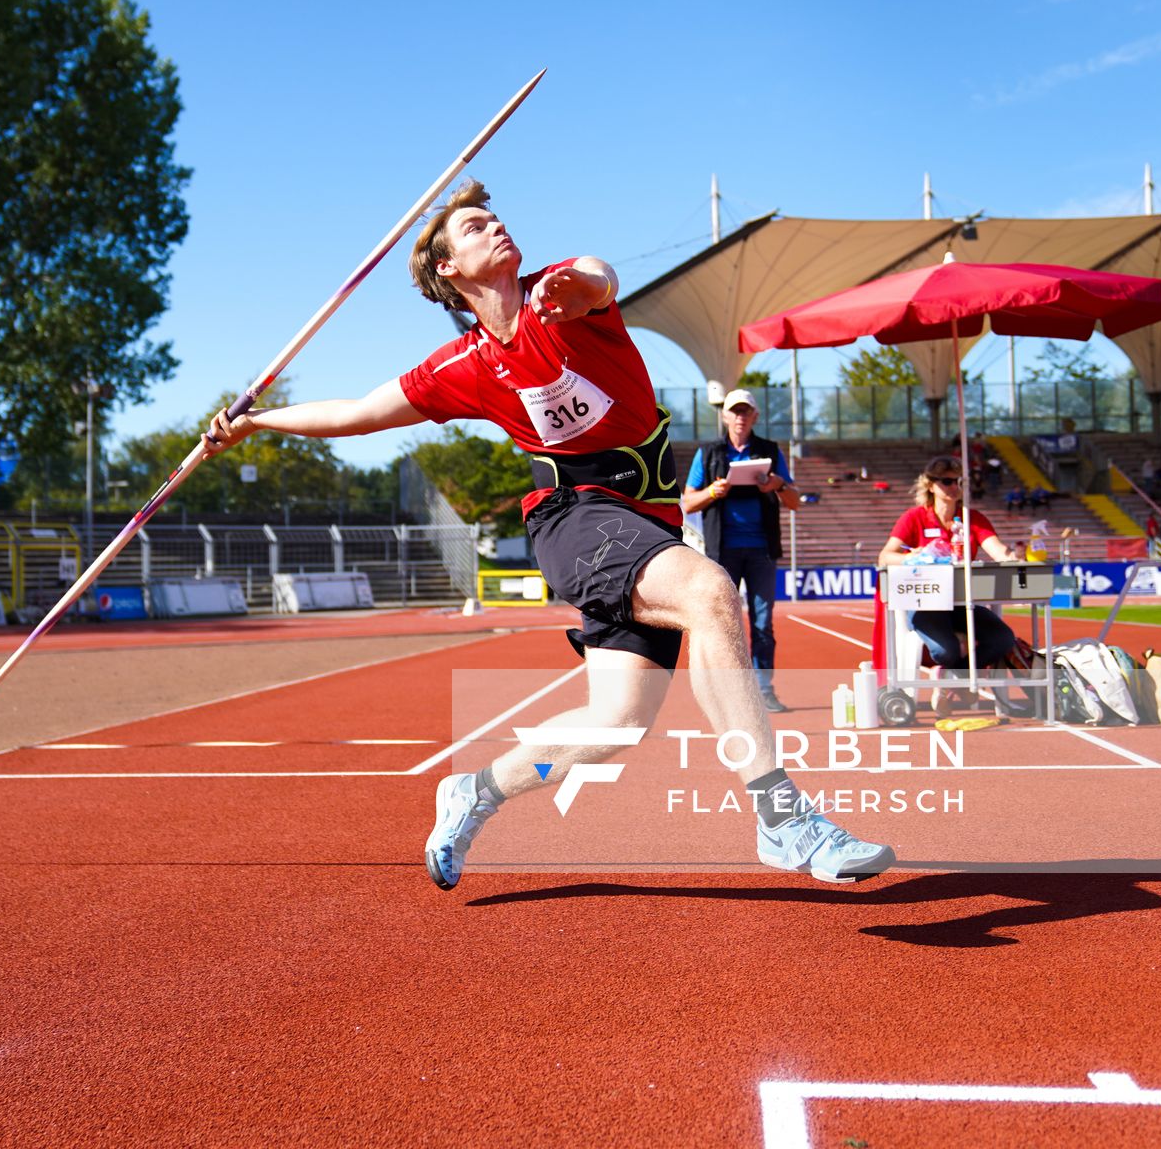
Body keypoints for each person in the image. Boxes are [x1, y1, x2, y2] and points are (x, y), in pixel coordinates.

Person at [201, 181, 893, 890]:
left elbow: (599, 277)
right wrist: (255, 422)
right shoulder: (461, 368)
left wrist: (580, 282)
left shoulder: (559, 296)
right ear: (449, 269)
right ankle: (782, 817)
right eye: (473, 227)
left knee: (617, 721)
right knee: (711, 591)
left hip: (647, 522)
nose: (494, 226)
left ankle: (477, 790)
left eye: (495, 217)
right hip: (575, 518)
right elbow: (355, 413)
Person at [876, 455, 1027, 720]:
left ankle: (953, 675)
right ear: (931, 485)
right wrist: (913, 556)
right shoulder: (914, 518)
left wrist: (1014, 556)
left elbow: (997, 549)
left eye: (958, 481)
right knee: (944, 650)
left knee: (1003, 638)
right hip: (927, 604)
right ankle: (954, 674)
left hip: (962, 604)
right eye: (946, 481)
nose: (953, 487)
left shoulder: (972, 519)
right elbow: (885, 557)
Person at [682, 388, 801, 712]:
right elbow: (688, 501)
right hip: (722, 552)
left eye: (746, 411)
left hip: (762, 549)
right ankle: (731, 691)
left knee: (763, 622)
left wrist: (777, 484)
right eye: (734, 411)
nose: (740, 416)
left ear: (755, 416)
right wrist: (712, 491)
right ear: (724, 415)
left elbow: (795, 502)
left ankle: (764, 689)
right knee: (724, 623)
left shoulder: (771, 451)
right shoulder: (708, 453)